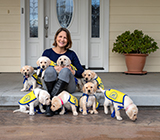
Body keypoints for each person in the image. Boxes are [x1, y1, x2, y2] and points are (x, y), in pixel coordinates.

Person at [42, 27, 84, 117]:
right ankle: (54, 104)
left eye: (65, 38)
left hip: (67, 87)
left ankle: (50, 104)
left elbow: (81, 71)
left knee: (65, 70)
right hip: (50, 84)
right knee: (49, 69)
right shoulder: (47, 53)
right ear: (56, 37)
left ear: (68, 40)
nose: (62, 39)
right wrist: (55, 68)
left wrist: (72, 72)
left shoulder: (71, 54)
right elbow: (40, 68)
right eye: (60, 36)